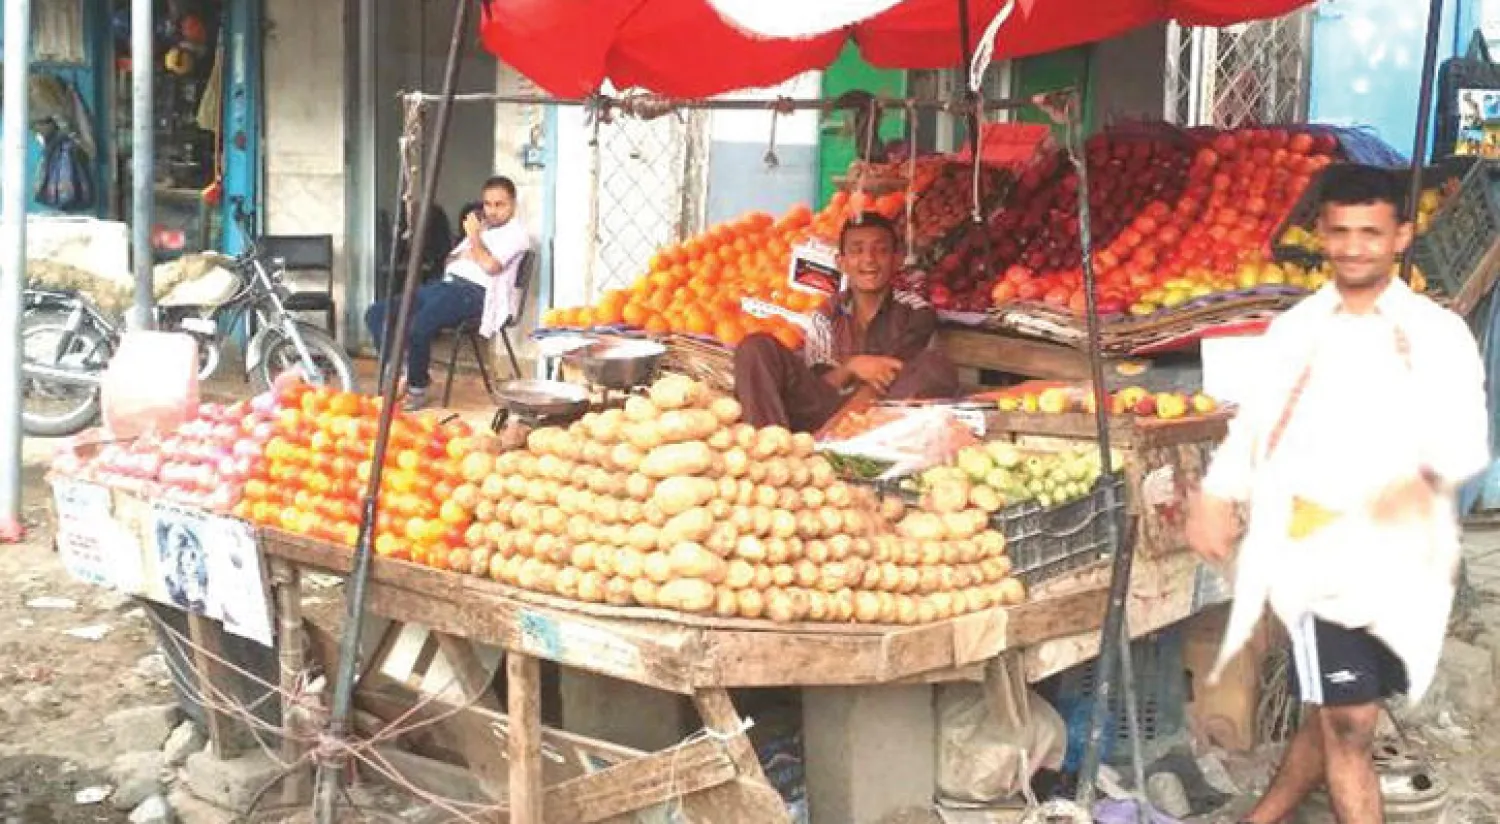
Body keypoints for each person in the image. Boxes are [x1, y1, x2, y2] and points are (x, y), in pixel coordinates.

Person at [1186, 164, 1489, 824]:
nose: (1355, 247)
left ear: (1402, 235)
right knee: (1352, 723)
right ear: (1322, 233)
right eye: (1342, 232)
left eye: (1371, 233)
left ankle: (1263, 817)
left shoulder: (1440, 334)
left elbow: (1468, 439)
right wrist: (1217, 493)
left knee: (1338, 707)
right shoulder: (1296, 332)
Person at [734, 212, 958, 432]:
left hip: (883, 415)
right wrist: (852, 367)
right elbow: (822, 385)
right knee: (755, 347)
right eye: (857, 250)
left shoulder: (916, 311)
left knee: (934, 366)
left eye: (880, 250)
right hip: (826, 410)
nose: (869, 259)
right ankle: (769, 445)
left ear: (897, 260)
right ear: (841, 262)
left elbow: (885, 380)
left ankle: (841, 446)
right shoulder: (825, 314)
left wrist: (832, 435)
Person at [366, 176, 530, 410]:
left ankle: (417, 388)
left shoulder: (516, 235)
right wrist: (474, 246)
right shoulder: (484, 230)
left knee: (417, 326)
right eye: (487, 204)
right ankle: (404, 370)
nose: (492, 211)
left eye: (499, 204)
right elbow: (451, 259)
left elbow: (490, 266)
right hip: (446, 285)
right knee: (377, 313)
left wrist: (474, 238)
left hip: (475, 294)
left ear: (513, 204)